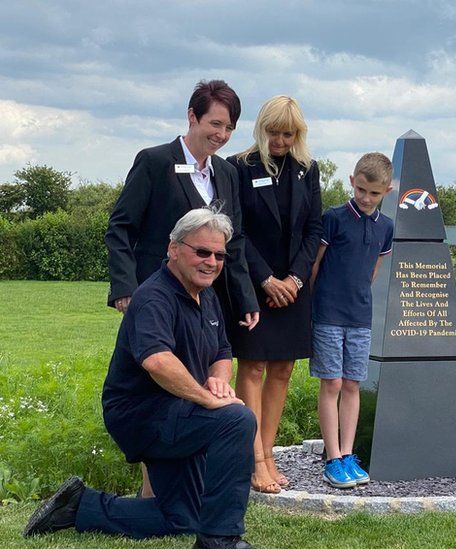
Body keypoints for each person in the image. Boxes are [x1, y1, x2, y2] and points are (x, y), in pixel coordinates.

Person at [24, 208, 257, 549]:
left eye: (220, 255)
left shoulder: (206, 295)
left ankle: (78, 505)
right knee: (236, 419)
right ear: (173, 248)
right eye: (202, 252)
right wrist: (208, 400)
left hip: (179, 409)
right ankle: (220, 539)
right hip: (143, 415)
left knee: (182, 518)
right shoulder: (154, 297)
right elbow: (157, 362)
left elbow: (222, 350)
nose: (212, 261)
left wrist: (219, 381)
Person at [104, 79, 259, 498]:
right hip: (158, 297)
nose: (222, 135)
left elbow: (236, 240)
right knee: (162, 385)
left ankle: (186, 490)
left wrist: (244, 296)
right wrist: (125, 287)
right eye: (215, 124)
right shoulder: (155, 161)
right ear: (192, 116)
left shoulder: (227, 172)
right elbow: (121, 227)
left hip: (210, 297)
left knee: (203, 385)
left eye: (229, 128)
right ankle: (151, 495)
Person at [227, 96, 322, 494]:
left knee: (283, 368)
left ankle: (268, 451)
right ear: (261, 129)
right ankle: (253, 460)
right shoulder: (238, 167)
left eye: (288, 133)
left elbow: (313, 230)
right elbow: (235, 228)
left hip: (294, 289)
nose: (280, 140)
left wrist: (295, 281)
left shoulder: (308, 169)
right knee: (252, 367)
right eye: (273, 132)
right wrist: (267, 279)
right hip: (253, 285)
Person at [309, 153, 394, 488]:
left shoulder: (386, 228)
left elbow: (372, 272)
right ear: (352, 181)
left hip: (360, 317)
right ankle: (332, 457)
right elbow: (315, 266)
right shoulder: (333, 218)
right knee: (331, 384)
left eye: (374, 193)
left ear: (386, 191)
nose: (366, 197)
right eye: (361, 189)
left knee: (352, 384)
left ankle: (347, 454)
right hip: (328, 314)